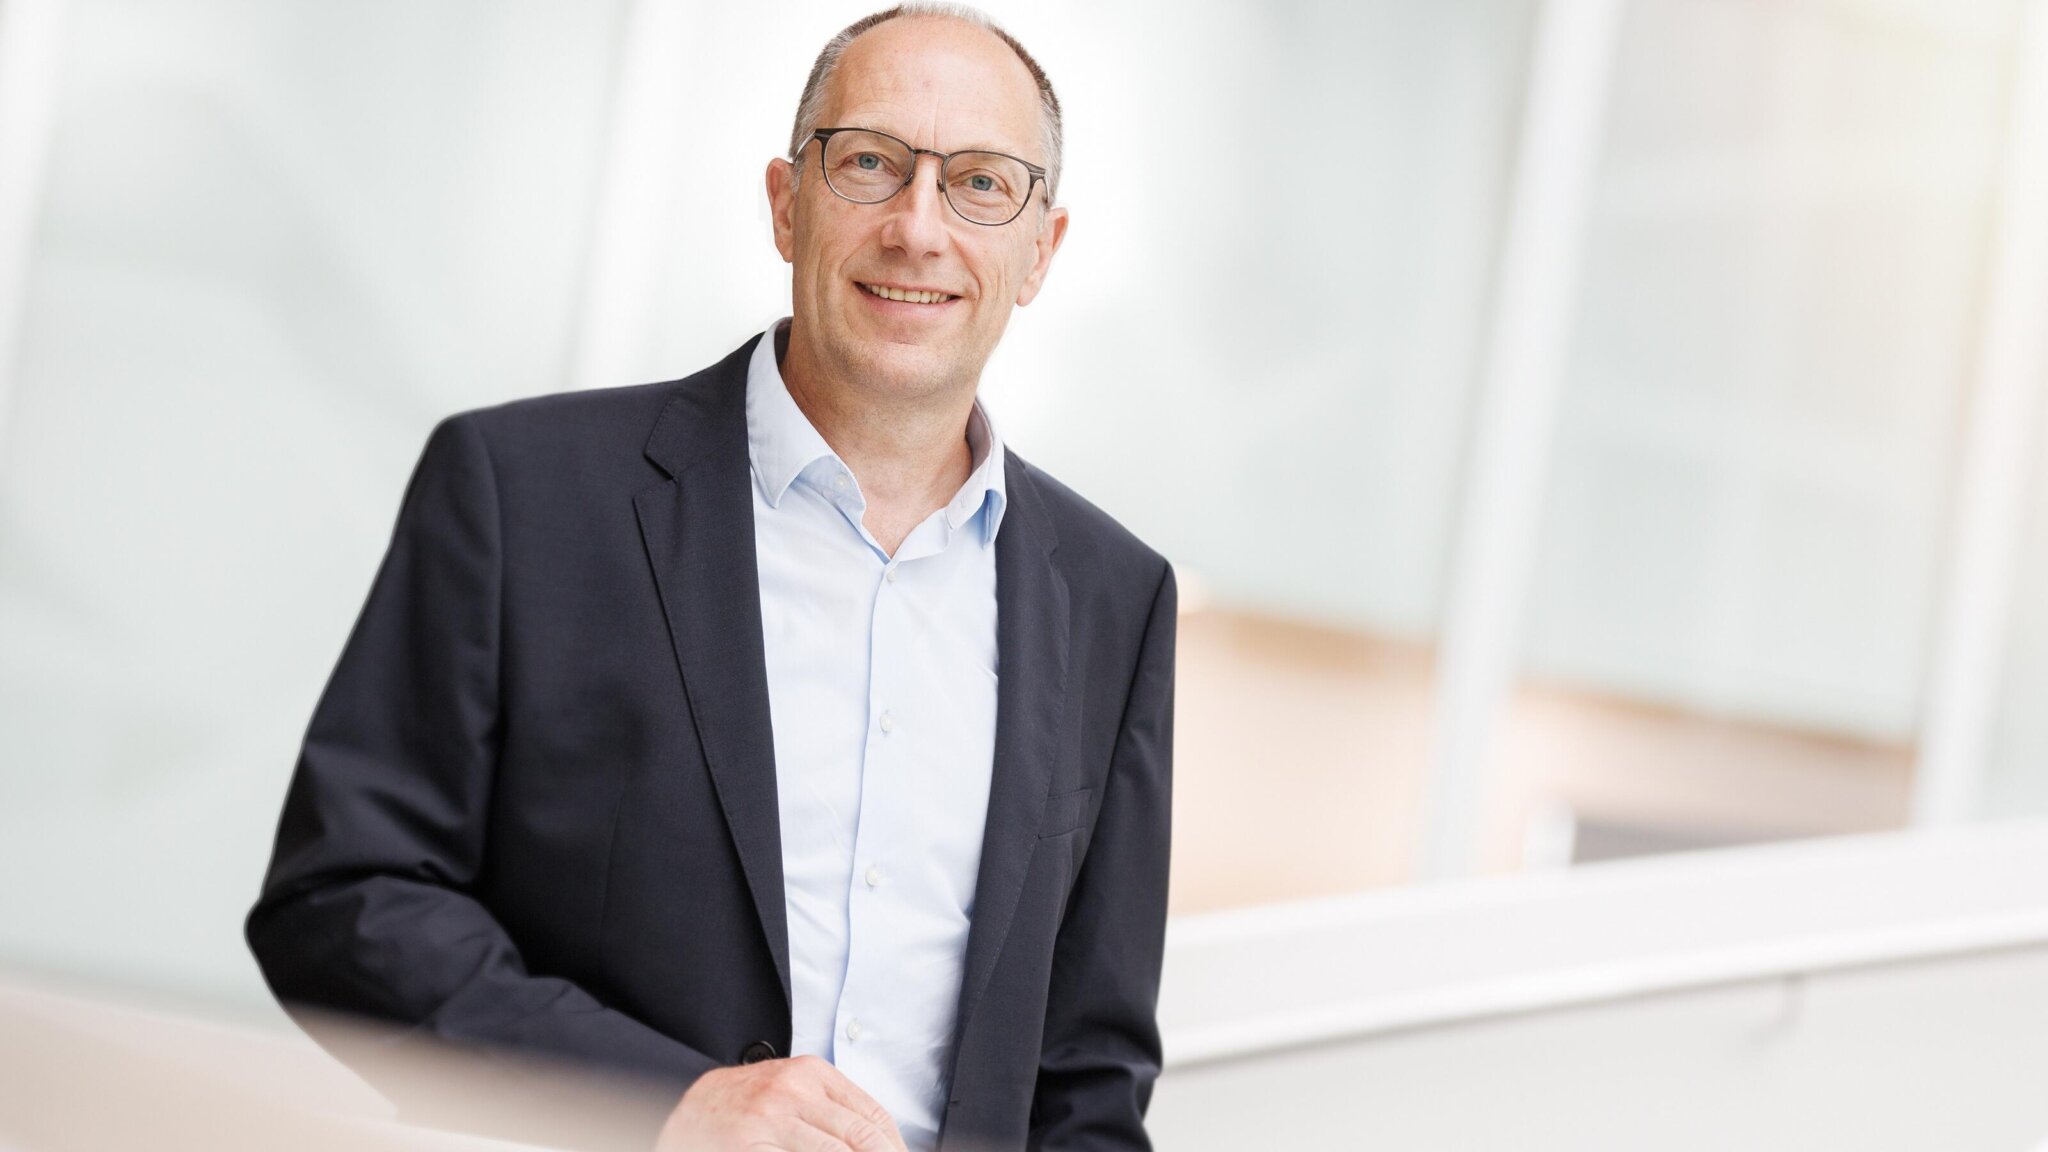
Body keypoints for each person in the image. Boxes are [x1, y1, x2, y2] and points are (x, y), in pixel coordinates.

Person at [246, 5, 1175, 1151]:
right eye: (870, 165)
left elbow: (1087, 1076)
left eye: (980, 184)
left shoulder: (1114, 598)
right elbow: (344, 898)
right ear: (786, 204)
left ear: (1041, 250)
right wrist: (661, 1100)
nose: (916, 228)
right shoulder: (521, 495)